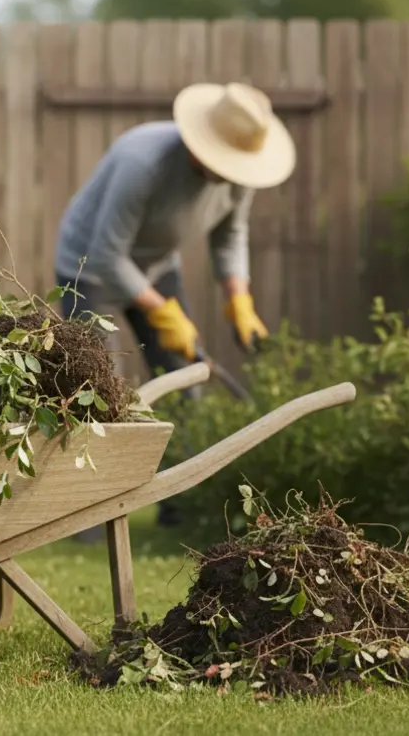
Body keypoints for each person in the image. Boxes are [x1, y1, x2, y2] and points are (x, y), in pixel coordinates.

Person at [52, 82, 296, 534]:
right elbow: (107, 255)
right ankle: (84, 516)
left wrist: (239, 299)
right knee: (96, 389)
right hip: (89, 269)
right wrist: (163, 313)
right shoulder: (142, 162)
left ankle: (180, 507)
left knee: (186, 381)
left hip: (157, 265)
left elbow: (230, 235)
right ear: (200, 143)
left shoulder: (239, 170)